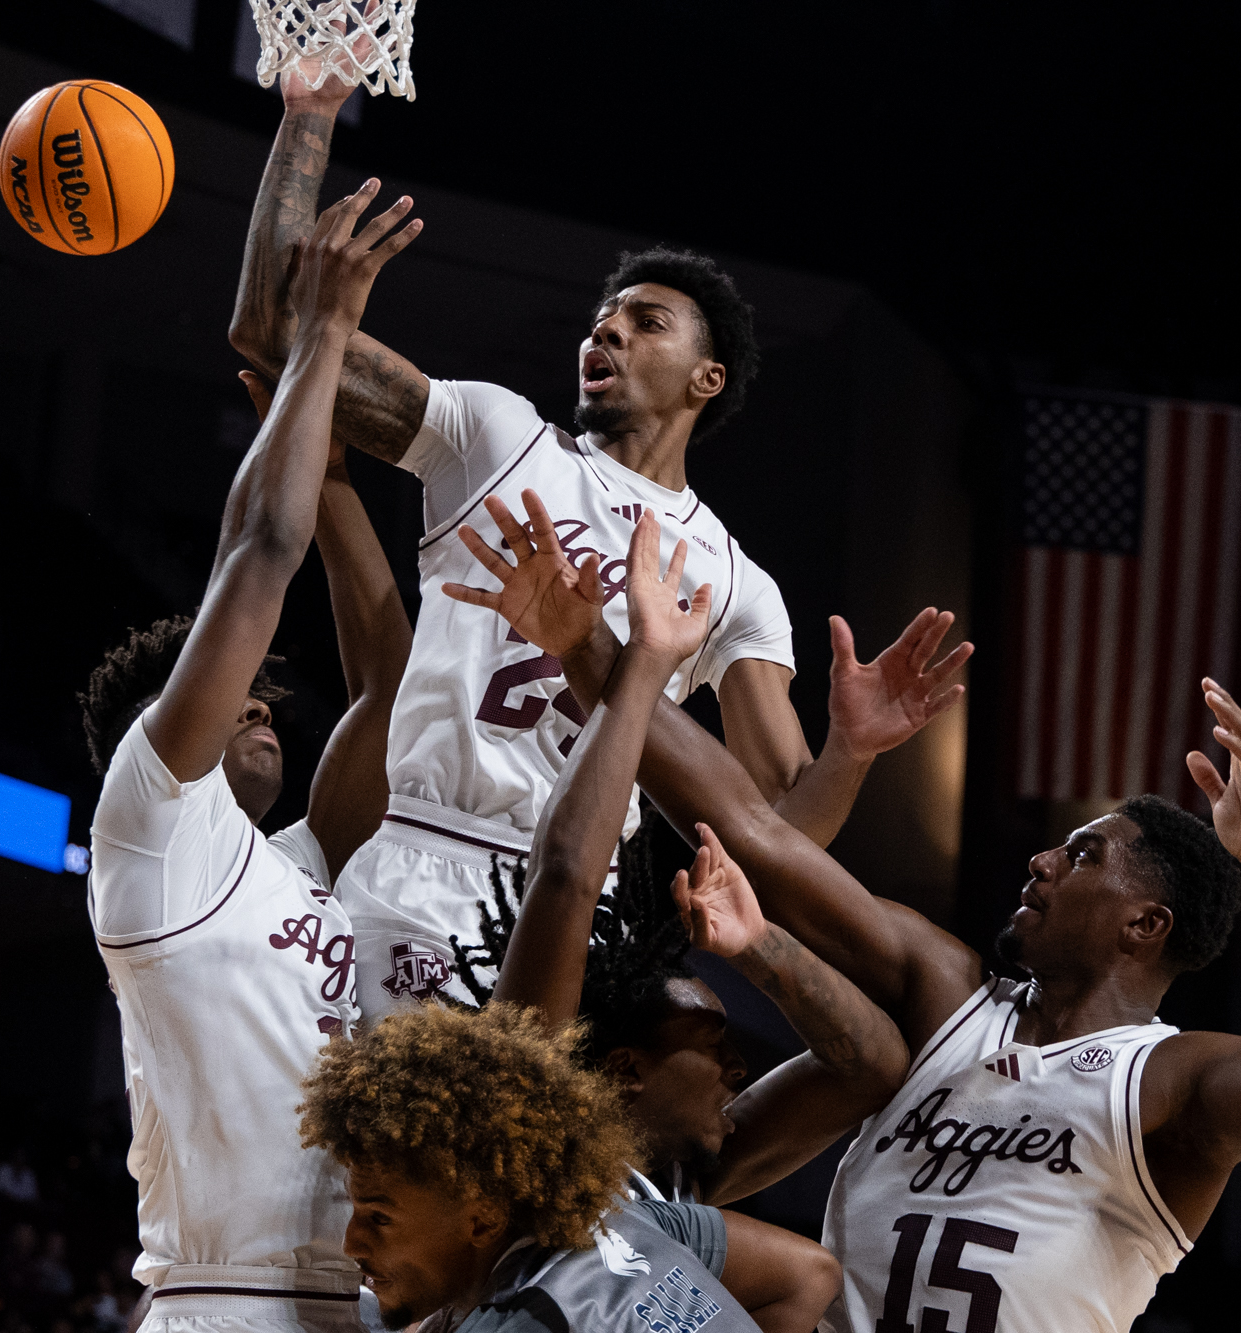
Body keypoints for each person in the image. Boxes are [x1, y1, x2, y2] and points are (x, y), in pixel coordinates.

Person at [441, 491, 1241, 1333]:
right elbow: (753, 826)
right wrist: (589, 649)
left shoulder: (1174, 1081)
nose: (1044, 857)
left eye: (1083, 853)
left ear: (1146, 923)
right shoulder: (947, 989)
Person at [226, 61, 971, 1020]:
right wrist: (310, 116)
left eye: (641, 323)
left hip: (573, 904)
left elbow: (778, 834)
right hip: (418, 853)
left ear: (706, 379)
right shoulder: (497, 435)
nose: (604, 334)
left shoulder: (738, 583)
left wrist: (854, 750)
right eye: (599, 322)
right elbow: (273, 333)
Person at [80, 179, 418, 1328]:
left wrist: (330, 492)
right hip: (221, 1302)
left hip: (355, 1303)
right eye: (238, 700)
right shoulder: (153, 826)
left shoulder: (301, 865)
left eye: (269, 698)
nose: (263, 708)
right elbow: (254, 559)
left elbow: (387, 686)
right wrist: (322, 338)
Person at [462, 504, 911, 1211]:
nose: (739, 1068)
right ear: (624, 1070)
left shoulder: (672, 1181)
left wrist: (760, 945)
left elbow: (877, 1064)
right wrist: (629, 657)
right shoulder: (518, 1156)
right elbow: (569, 877)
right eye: (707, 1044)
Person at [301, 1002, 763, 1333]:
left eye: (379, 1217)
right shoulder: (624, 1217)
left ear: (483, 1220)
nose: (351, 1243)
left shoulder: (524, 1319)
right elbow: (806, 1274)